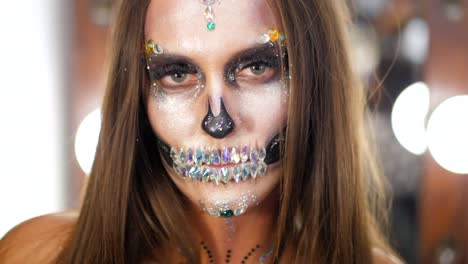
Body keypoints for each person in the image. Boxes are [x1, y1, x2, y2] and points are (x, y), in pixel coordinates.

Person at [0, 0, 402, 263]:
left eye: (256, 68)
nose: (218, 121)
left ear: (313, 87)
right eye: (177, 74)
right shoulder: (36, 253)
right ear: (137, 96)